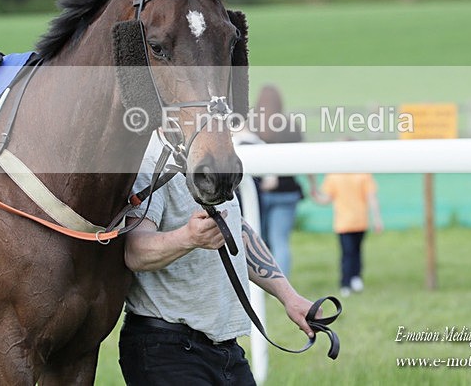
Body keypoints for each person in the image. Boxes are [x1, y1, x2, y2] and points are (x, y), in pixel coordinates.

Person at [119, 131, 317, 386]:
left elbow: (236, 229)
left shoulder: (209, 156)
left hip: (227, 350)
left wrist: (290, 298)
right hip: (166, 348)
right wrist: (188, 238)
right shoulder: (150, 162)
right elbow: (134, 252)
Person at [253, 85, 316, 278]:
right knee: (280, 241)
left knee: (256, 241)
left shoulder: (252, 126)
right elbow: (305, 159)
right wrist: (314, 187)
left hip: (257, 193)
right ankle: (282, 285)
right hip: (287, 192)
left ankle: (258, 283)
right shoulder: (290, 126)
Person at [313, 171, 383, 296]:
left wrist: (377, 219)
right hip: (347, 223)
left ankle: (354, 278)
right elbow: (371, 197)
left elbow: (326, 199)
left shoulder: (358, 174)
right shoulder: (340, 175)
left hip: (355, 222)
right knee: (350, 252)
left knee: (352, 252)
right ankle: (347, 282)